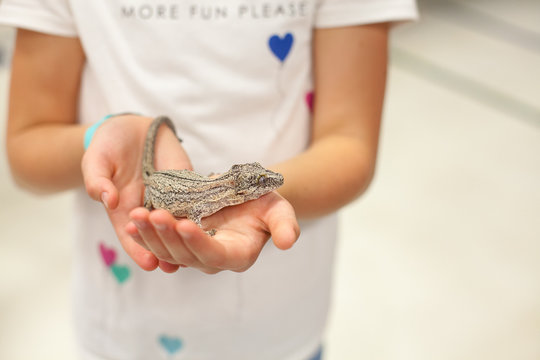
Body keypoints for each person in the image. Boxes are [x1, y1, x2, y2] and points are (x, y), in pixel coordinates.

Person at [0, 1, 417, 359]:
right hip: (119, 333)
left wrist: (267, 202)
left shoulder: (223, 194)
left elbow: (351, 144)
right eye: (254, 188)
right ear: (237, 188)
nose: (264, 185)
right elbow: (25, 150)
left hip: (281, 333)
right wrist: (102, 135)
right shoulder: (213, 198)